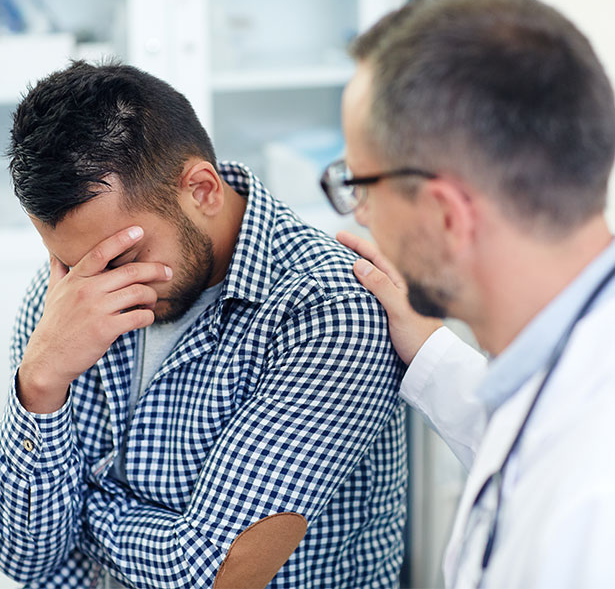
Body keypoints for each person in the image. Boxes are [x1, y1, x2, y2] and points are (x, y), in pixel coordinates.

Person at [0, 61, 407, 589]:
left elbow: (212, 573)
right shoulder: (67, 296)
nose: (95, 285)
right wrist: (40, 384)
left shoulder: (329, 310)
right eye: (76, 264)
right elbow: (23, 559)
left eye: (125, 255)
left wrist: (82, 513)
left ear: (203, 189)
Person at [320, 0, 615, 589]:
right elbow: (526, 440)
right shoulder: (564, 361)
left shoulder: (595, 502)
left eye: (361, 186)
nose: (361, 218)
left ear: (447, 216)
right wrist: (429, 347)